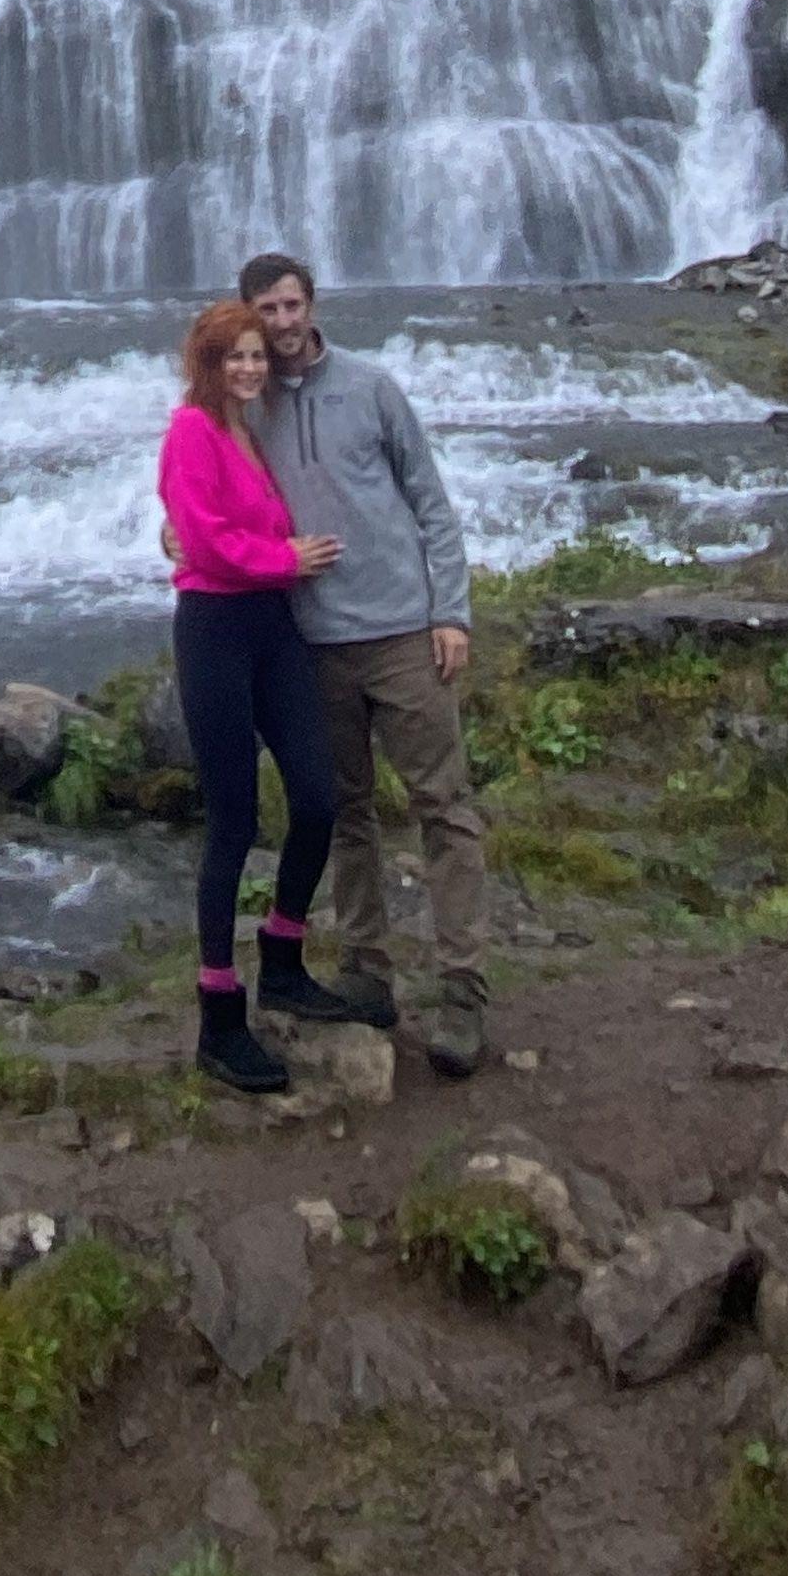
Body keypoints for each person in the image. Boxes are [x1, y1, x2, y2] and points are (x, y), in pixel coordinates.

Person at [237, 249, 496, 1073]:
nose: (280, 324)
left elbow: (432, 503)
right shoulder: (247, 403)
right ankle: (366, 972)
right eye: (266, 311)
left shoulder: (373, 387)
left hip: (400, 634)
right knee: (347, 815)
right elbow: (210, 500)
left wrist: (450, 613)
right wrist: (175, 535)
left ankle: (462, 993)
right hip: (314, 645)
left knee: (443, 807)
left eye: (290, 306)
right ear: (249, 316)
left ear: (312, 305)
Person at [159, 294, 353, 1094]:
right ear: (206, 363)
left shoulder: (254, 426)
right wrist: (285, 560)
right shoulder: (191, 430)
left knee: (317, 796)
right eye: (233, 355)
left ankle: (283, 954)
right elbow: (200, 535)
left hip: (272, 628)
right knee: (232, 824)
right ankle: (218, 1015)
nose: (248, 367)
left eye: (255, 355)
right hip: (215, 629)